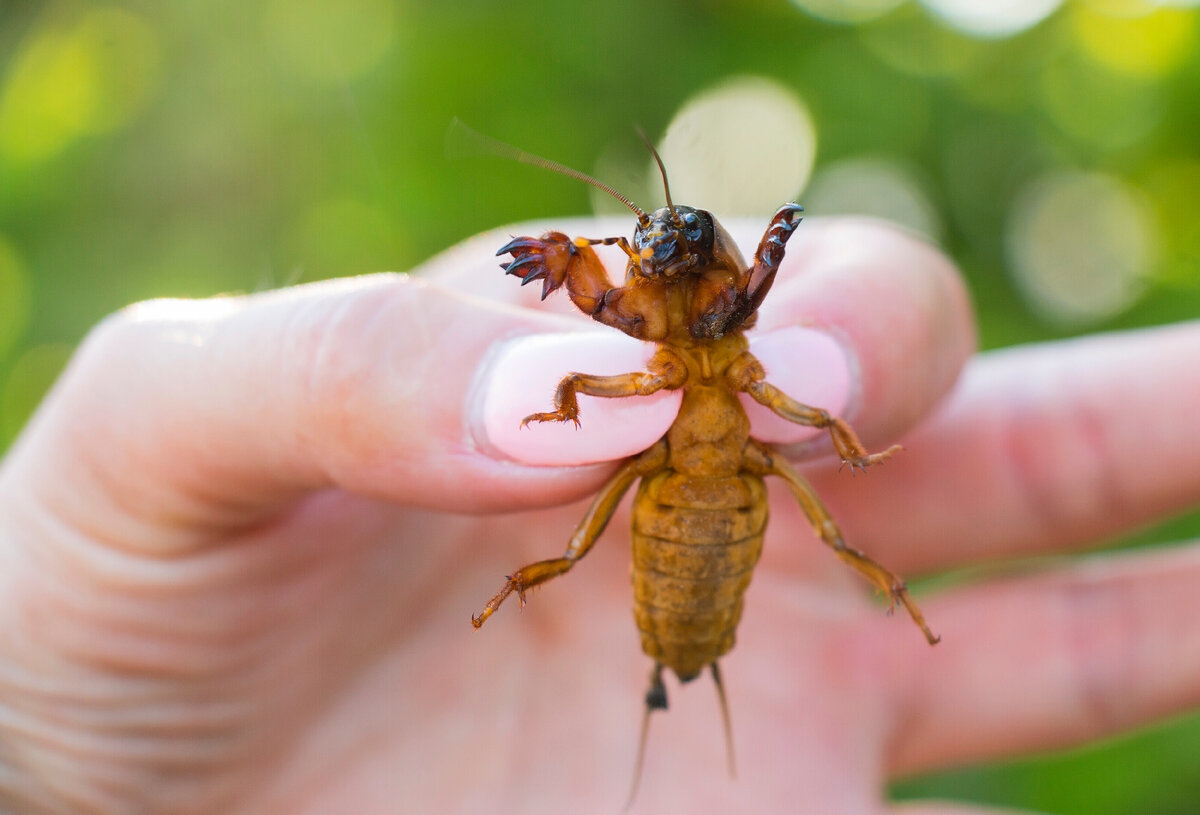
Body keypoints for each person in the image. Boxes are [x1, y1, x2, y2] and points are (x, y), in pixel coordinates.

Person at [0, 216, 1197, 815]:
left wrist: (790, 283)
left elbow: (800, 383)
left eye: (692, 244)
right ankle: (602, 630)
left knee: (833, 521)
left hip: (714, 515)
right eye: (654, 244)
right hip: (672, 510)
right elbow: (604, 366)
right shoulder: (655, 344)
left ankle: (809, 627)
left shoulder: (727, 338)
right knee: (577, 547)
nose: (673, 249)